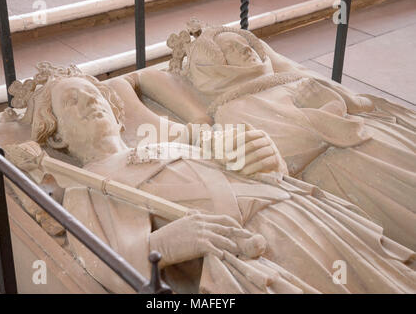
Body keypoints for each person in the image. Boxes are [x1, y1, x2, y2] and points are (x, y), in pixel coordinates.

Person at [8, 62, 415, 294]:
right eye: (71, 102)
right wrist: (164, 243)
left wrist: (266, 160)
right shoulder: (88, 183)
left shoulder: (168, 142)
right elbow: (107, 260)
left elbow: (251, 166)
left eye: (93, 95)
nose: (89, 103)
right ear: (56, 134)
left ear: (117, 112)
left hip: (300, 215)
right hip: (255, 243)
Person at [133, 22, 416, 251]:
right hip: (352, 166)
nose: (246, 49)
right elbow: (291, 149)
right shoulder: (236, 106)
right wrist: (328, 107)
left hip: (378, 138)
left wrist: (342, 101)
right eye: (232, 48)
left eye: (246, 43)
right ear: (216, 64)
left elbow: (362, 104)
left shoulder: (288, 78)